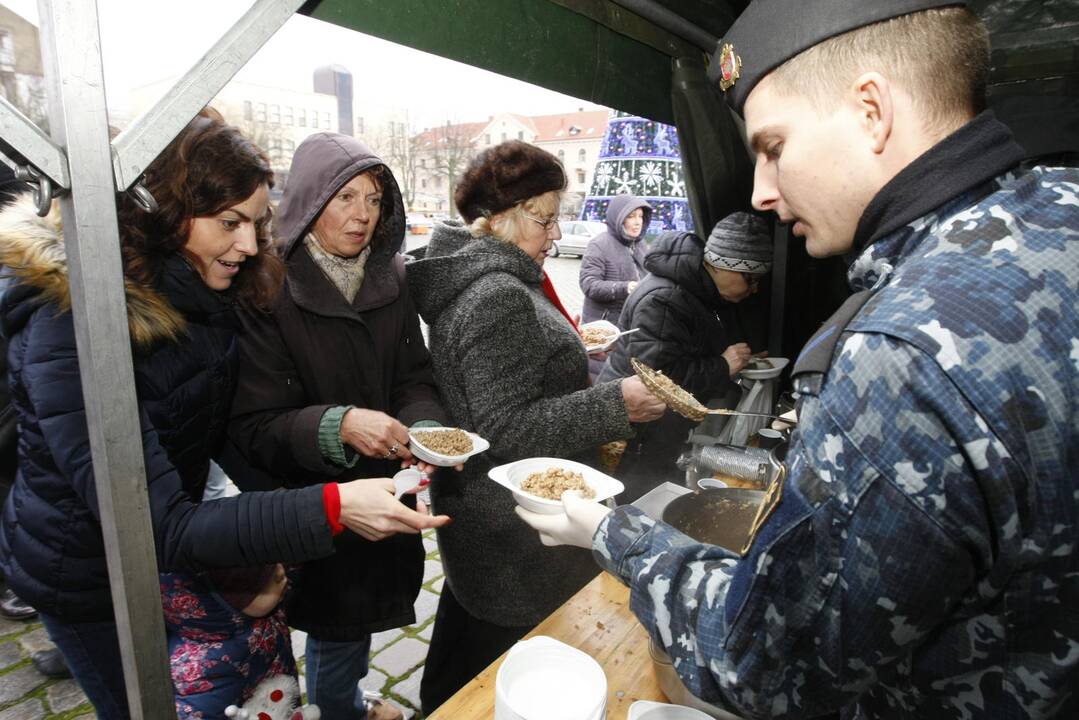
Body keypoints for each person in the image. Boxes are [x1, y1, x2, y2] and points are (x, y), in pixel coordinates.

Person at [519, 2, 1079, 718]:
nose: (760, 190)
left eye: (773, 145)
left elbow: (770, 662)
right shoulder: (1059, 209)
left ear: (871, 110)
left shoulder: (901, 352)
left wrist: (608, 531)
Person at [0, 110, 447, 719]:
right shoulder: (73, 328)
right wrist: (333, 507)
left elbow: (227, 435)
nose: (248, 244)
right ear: (160, 212)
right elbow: (163, 525)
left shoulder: (201, 294)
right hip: (84, 574)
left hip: (169, 557)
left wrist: (283, 534)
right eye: (229, 222)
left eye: (257, 223)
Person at [405, 140, 667, 714]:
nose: (554, 235)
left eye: (557, 219)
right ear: (495, 220)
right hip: (512, 531)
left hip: (490, 525)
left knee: (466, 641)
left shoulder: (496, 278)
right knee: (494, 669)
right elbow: (503, 429)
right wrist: (613, 404)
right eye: (543, 219)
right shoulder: (498, 295)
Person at [228, 132, 447, 720]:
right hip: (309, 495)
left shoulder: (391, 277)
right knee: (333, 621)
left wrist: (422, 429)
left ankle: (344, 700)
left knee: (358, 621)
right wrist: (340, 424)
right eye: (344, 197)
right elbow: (252, 423)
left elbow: (414, 375)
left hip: (386, 488)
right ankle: (335, 708)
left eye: (374, 200)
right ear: (306, 200)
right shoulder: (264, 288)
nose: (362, 215)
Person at [597, 212, 771, 501]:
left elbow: (687, 348)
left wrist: (738, 362)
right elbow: (657, 380)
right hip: (634, 435)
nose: (754, 289)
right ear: (722, 265)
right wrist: (722, 365)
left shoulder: (702, 292)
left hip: (657, 429)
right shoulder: (666, 299)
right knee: (632, 502)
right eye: (751, 279)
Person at [579, 195, 652, 377]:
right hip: (605, 333)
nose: (637, 222)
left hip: (632, 328)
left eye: (641, 216)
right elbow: (589, 285)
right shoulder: (599, 245)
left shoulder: (641, 244)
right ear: (618, 218)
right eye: (631, 216)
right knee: (601, 380)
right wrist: (625, 287)